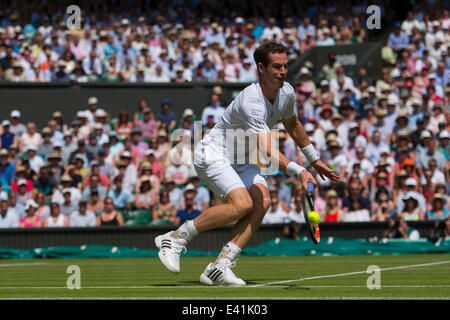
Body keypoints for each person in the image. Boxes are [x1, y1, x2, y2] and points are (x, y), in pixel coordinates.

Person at [155, 41, 338, 286]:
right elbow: (267, 150)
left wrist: (314, 159)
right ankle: (176, 239)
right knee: (242, 204)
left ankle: (220, 266)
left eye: (285, 66)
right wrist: (299, 171)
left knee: (262, 202)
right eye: (276, 67)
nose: (283, 72)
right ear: (261, 68)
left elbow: (292, 124)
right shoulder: (251, 100)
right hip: (214, 155)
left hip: (243, 159)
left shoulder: (287, 92)